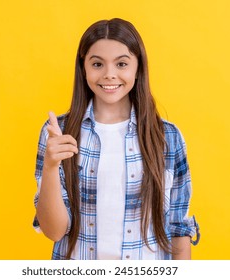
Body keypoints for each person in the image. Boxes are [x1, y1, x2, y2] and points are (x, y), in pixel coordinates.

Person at [33, 18, 199, 260]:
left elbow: (178, 227)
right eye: (97, 64)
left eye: (121, 64)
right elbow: (54, 231)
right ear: (84, 68)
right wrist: (50, 167)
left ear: (137, 68)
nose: (110, 75)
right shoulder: (59, 132)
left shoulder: (167, 137)